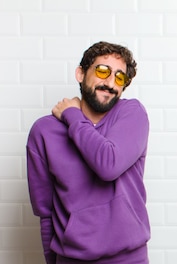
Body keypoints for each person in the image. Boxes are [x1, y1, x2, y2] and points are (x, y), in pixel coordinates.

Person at [26, 41, 150, 264]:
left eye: (120, 78)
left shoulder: (132, 115)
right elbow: (46, 213)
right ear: (81, 73)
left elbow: (108, 165)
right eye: (103, 71)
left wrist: (73, 116)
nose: (111, 83)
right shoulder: (44, 132)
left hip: (128, 259)